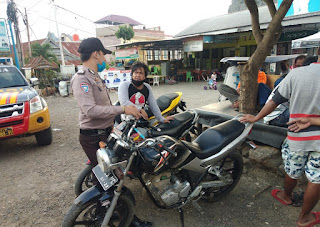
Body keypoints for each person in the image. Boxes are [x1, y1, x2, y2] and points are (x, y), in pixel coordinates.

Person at [71, 38, 151, 227]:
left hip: (103, 132)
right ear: (96, 54)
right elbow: (90, 110)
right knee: (109, 180)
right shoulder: (81, 78)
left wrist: (112, 126)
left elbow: (103, 107)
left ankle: (114, 211)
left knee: (107, 175)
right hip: (92, 136)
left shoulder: (95, 76)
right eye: (103, 54)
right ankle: (110, 215)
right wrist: (123, 109)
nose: (104, 58)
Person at [240, 56, 320, 227]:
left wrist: (256, 117)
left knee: (292, 170)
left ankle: (286, 196)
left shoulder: (296, 74)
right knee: (316, 179)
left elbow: (275, 100)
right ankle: (304, 218)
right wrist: (314, 121)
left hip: (297, 134)